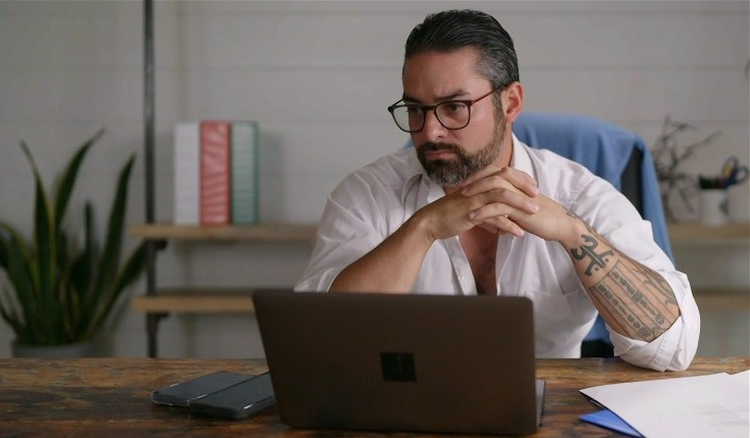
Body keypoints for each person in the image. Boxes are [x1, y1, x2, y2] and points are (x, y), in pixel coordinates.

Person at [295, 9, 699, 372]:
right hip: (410, 407)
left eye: (454, 106)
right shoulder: (366, 194)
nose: (430, 131)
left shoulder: (580, 197)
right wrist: (424, 228)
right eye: (415, 109)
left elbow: (674, 346)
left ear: (511, 103)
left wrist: (573, 233)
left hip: (552, 410)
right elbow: (316, 343)